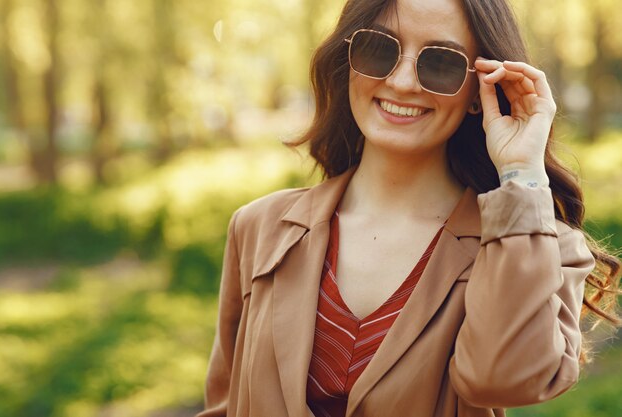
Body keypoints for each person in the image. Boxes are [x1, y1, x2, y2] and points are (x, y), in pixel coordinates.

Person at [196, 0, 622, 416]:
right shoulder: (258, 228)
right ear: (349, 63)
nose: (402, 82)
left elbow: (502, 379)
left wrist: (520, 172)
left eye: (441, 62)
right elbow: (226, 405)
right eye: (379, 49)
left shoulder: (542, 250)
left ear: (480, 92)